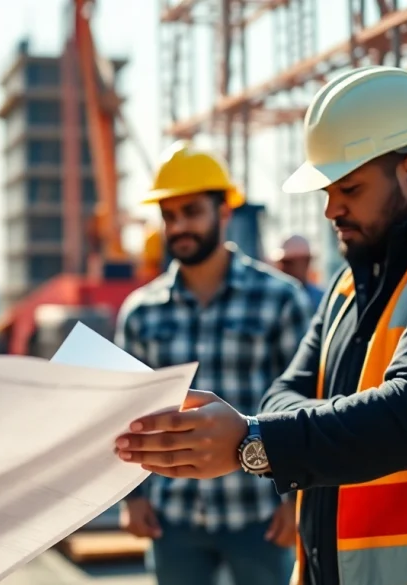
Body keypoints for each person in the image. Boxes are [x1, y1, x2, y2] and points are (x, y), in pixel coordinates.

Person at [112, 65, 407, 585]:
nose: (331, 208)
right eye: (327, 190)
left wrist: (251, 442)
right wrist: (295, 429)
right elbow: (283, 396)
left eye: (349, 188)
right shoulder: (351, 285)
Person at [114, 141, 311, 585]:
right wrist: (133, 499)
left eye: (192, 211)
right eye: (169, 215)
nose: (179, 225)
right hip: (173, 515)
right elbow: (126, 415)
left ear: (224, 213)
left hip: (258, 512)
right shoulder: (140, 312)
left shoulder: (279, 298)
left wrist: (295, 499)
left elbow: (304, 401)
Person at [275, 235, 324, 312]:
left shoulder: (321, 300)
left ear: (307, 262)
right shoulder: (271, 296)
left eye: (289, 262)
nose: (283, 267)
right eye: (282, 262)